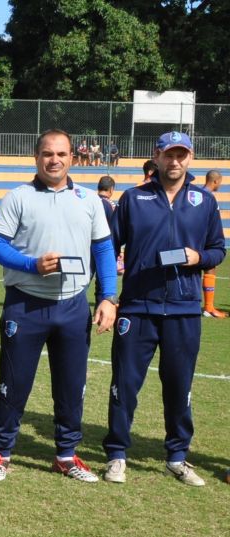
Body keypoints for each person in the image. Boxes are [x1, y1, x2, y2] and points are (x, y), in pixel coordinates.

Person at [0, 128, 118, 483]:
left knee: (72, 386)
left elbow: (103, 250)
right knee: (14, 383)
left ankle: (66, 455)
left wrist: (108, 297)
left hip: (73, 306)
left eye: (61, 153)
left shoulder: (89, 201)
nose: (54, 160)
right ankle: (1, 454)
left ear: (73, 156)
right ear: (36, 157)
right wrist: (31, 264)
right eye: (47, 154)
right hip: (25, 305)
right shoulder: (19, 197)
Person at [102, 132, 225, 486]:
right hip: (138, 308)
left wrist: (198, 257)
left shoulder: (204, 201)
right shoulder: (133, 198)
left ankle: (177, 456)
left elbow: (218, 249)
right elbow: (109, 248)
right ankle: (117, 455)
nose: (175, 162)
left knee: (179, 386)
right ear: (156, 156)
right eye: (168, 155)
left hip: (185, 310)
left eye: (181, 155)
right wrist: (109, 297)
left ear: (191, 158)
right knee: (124, 385)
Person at [202, 170, 225, 318]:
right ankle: (208, 308)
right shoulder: (207, 197)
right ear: (215, 181)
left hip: (198, 238)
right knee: (210, 268)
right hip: (202, 239)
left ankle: (208, 307)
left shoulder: (199, 193)